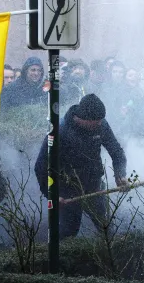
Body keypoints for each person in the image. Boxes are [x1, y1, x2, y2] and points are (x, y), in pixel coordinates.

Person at [34, 94, 128, 239]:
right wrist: (51, 194)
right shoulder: (60, 131)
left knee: (107, 227)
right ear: (83, 118)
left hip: (94, 184)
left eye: (101, 121)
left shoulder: (102, 125)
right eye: (95, 122)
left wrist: (120, 175)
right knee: (69, 230)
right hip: (67, 188)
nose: (99, 124)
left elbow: (116, 151)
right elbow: (41, 166)